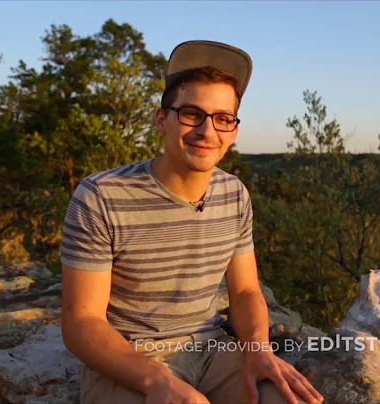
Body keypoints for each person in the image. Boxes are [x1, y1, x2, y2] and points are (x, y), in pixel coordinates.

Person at [59, 40, 324, 404]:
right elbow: (81, 321)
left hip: (212, 349)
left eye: (222, 118)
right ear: (161, 119)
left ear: (233, 131)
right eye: (191, 114)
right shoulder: (101, 196)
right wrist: (156, 381)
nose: (207, 131)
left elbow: (245, 291)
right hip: (130, 358)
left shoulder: (234, 194)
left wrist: (258, 350)